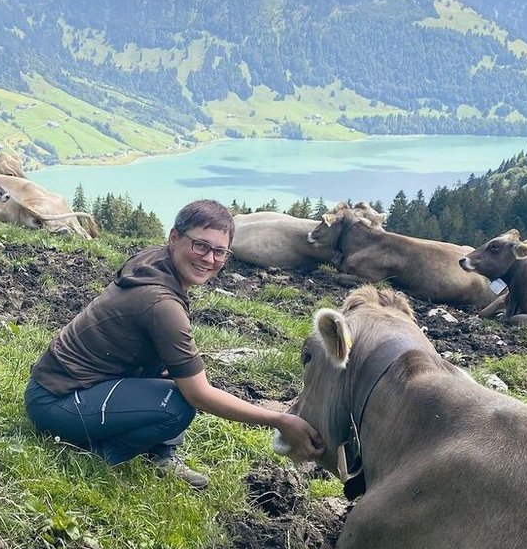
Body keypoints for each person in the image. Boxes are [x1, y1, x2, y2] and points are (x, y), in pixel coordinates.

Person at [24, 199, 324, 489]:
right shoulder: (161, 305)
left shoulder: (156, 261)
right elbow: (199, 395)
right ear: (174, 238)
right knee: (178, 404)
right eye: (201, 245)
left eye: (220, 252)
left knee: (175, 372)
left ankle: (161, 454)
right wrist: (280, 420)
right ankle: (99, 455)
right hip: (57, 403)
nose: (209, 259)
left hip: (56, 386)